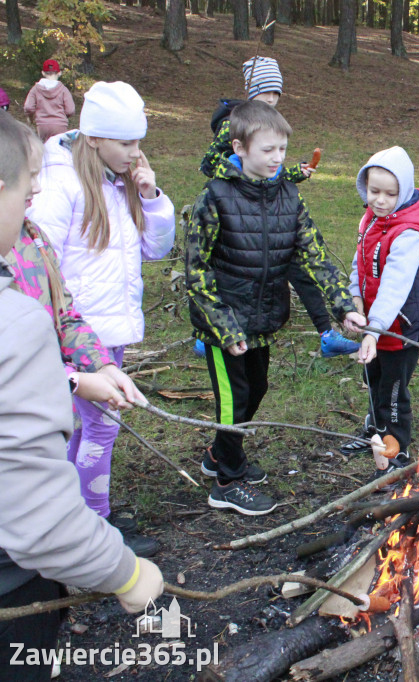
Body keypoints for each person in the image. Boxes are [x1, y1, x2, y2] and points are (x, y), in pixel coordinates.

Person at [0, 109, 164, 682]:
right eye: (29, 179)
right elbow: (29, 504)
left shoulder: (31, 238)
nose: (39, 188)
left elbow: (64, 314)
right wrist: (125, 574)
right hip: (13, 570)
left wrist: (97, 365)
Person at [186, 100, 365, 515]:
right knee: (234, 400)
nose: (278, 158)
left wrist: (343, 307)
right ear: (240, 147)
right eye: (267, 150)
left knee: (258, 388)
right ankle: (227, 482)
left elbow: (313, 253)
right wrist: (224, 329)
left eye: (282, 149)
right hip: (224, 323)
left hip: (262, 318)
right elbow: (196, 270)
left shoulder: (287, 194)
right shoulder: (215, 196)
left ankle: (217, 456)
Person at [26, 81, 175, 553]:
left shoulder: (122, 182)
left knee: (89, 425)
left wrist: (150, 197)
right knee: (101, 425)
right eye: (126, 143)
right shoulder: (60, 183)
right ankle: (94, 525)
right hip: (74, 334)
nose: (136, 153)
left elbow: (157, 249)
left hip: (109, 331)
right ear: (93, 138)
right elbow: (36, 257)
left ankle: (74, 511)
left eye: (138, 142)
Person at [196, 56, 359, 361]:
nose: (271, 99)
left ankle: (326, 333)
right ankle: (210, 336)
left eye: (276, 94)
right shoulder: (233, 128)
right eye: (264, 93)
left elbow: (316, 255)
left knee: (300, 269)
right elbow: (209, 164)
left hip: (273, 214)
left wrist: (291, 174)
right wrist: (237, 182)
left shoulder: (286, 189)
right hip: (240, 219)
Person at [340, 147, 419, 475]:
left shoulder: (410, 233)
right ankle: (375, 434)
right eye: (373, 191)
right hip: (376, 326)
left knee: (393, 393)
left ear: (404, 191)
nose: (379, 200)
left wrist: (374, 328)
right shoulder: (370, 219)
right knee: (374, 380)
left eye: (390, 194)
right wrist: (355, 300)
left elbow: (394, 285)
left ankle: (396, 453)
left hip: (400, 329)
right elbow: (359, 263)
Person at [23, 58, 75, 141]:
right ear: (59, 73)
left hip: (42, 125)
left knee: (45, 149)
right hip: (60, 125)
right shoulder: (63, 90)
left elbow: (28, 107)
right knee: (59, 150)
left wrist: (31, 117)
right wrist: (64, 116)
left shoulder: (35, 89)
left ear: (43, 73)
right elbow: (70, 110)